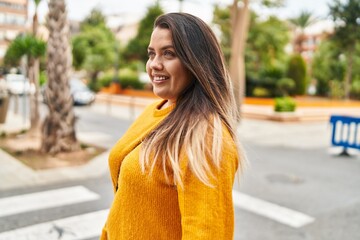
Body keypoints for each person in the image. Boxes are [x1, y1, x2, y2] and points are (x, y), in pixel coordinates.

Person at [101, 12, 245, 240]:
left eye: (169, 54)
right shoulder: (156, 109)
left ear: (196, 63)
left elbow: (207, 233)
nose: (154, 65)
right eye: (151, 54)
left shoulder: (206, 136)